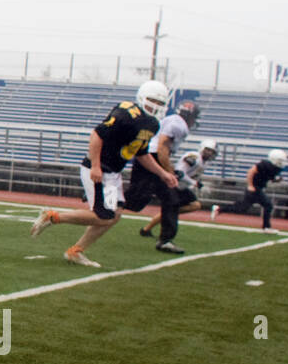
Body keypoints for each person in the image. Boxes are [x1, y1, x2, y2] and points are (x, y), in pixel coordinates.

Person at [30, 80, 178, 267]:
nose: (155, 106)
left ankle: (76, 251)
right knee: (103, 216)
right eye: (152, 101)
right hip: (99, 169)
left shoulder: (152, 124)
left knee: (113, 216)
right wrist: (96, 166)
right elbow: (97, 136)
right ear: (142, 97)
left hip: (113, 173)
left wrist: (162, 173)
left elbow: (140, 153)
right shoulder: (126, 114)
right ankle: (52, 217)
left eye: (160, 103)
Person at [126, 98, 201, 254]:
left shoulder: (173, 120)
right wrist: (168, 172)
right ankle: (103, 197)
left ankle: (165, 240)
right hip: (152, 158)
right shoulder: (179, 125)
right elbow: (162, 148)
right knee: (136, 200)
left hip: (150, 156)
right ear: (190, 116)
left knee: (170, 200)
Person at [140, 137, 218, 238]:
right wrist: (194, 183)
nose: (209, 153)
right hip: (175, 184)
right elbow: (179, 173)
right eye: (207, 150)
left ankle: (148, 228)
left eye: (211, 151)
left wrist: (195, 182)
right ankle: (147, 229)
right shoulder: (194, 157)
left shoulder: (204, 162)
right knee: (193, 205)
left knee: (193, 206)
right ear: (202, 148)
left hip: (181, 186)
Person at [211, 149, 288, 232]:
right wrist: (250, 185)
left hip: (258, 188)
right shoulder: (264, 164)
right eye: (280, 160)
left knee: (242, 208)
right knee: (268, 205)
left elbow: (269, 178)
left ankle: (219, 209)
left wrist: (277, 180)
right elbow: (251, 172)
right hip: (254, 188)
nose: (281, 162)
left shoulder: (274, 168)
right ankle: (266, 227)